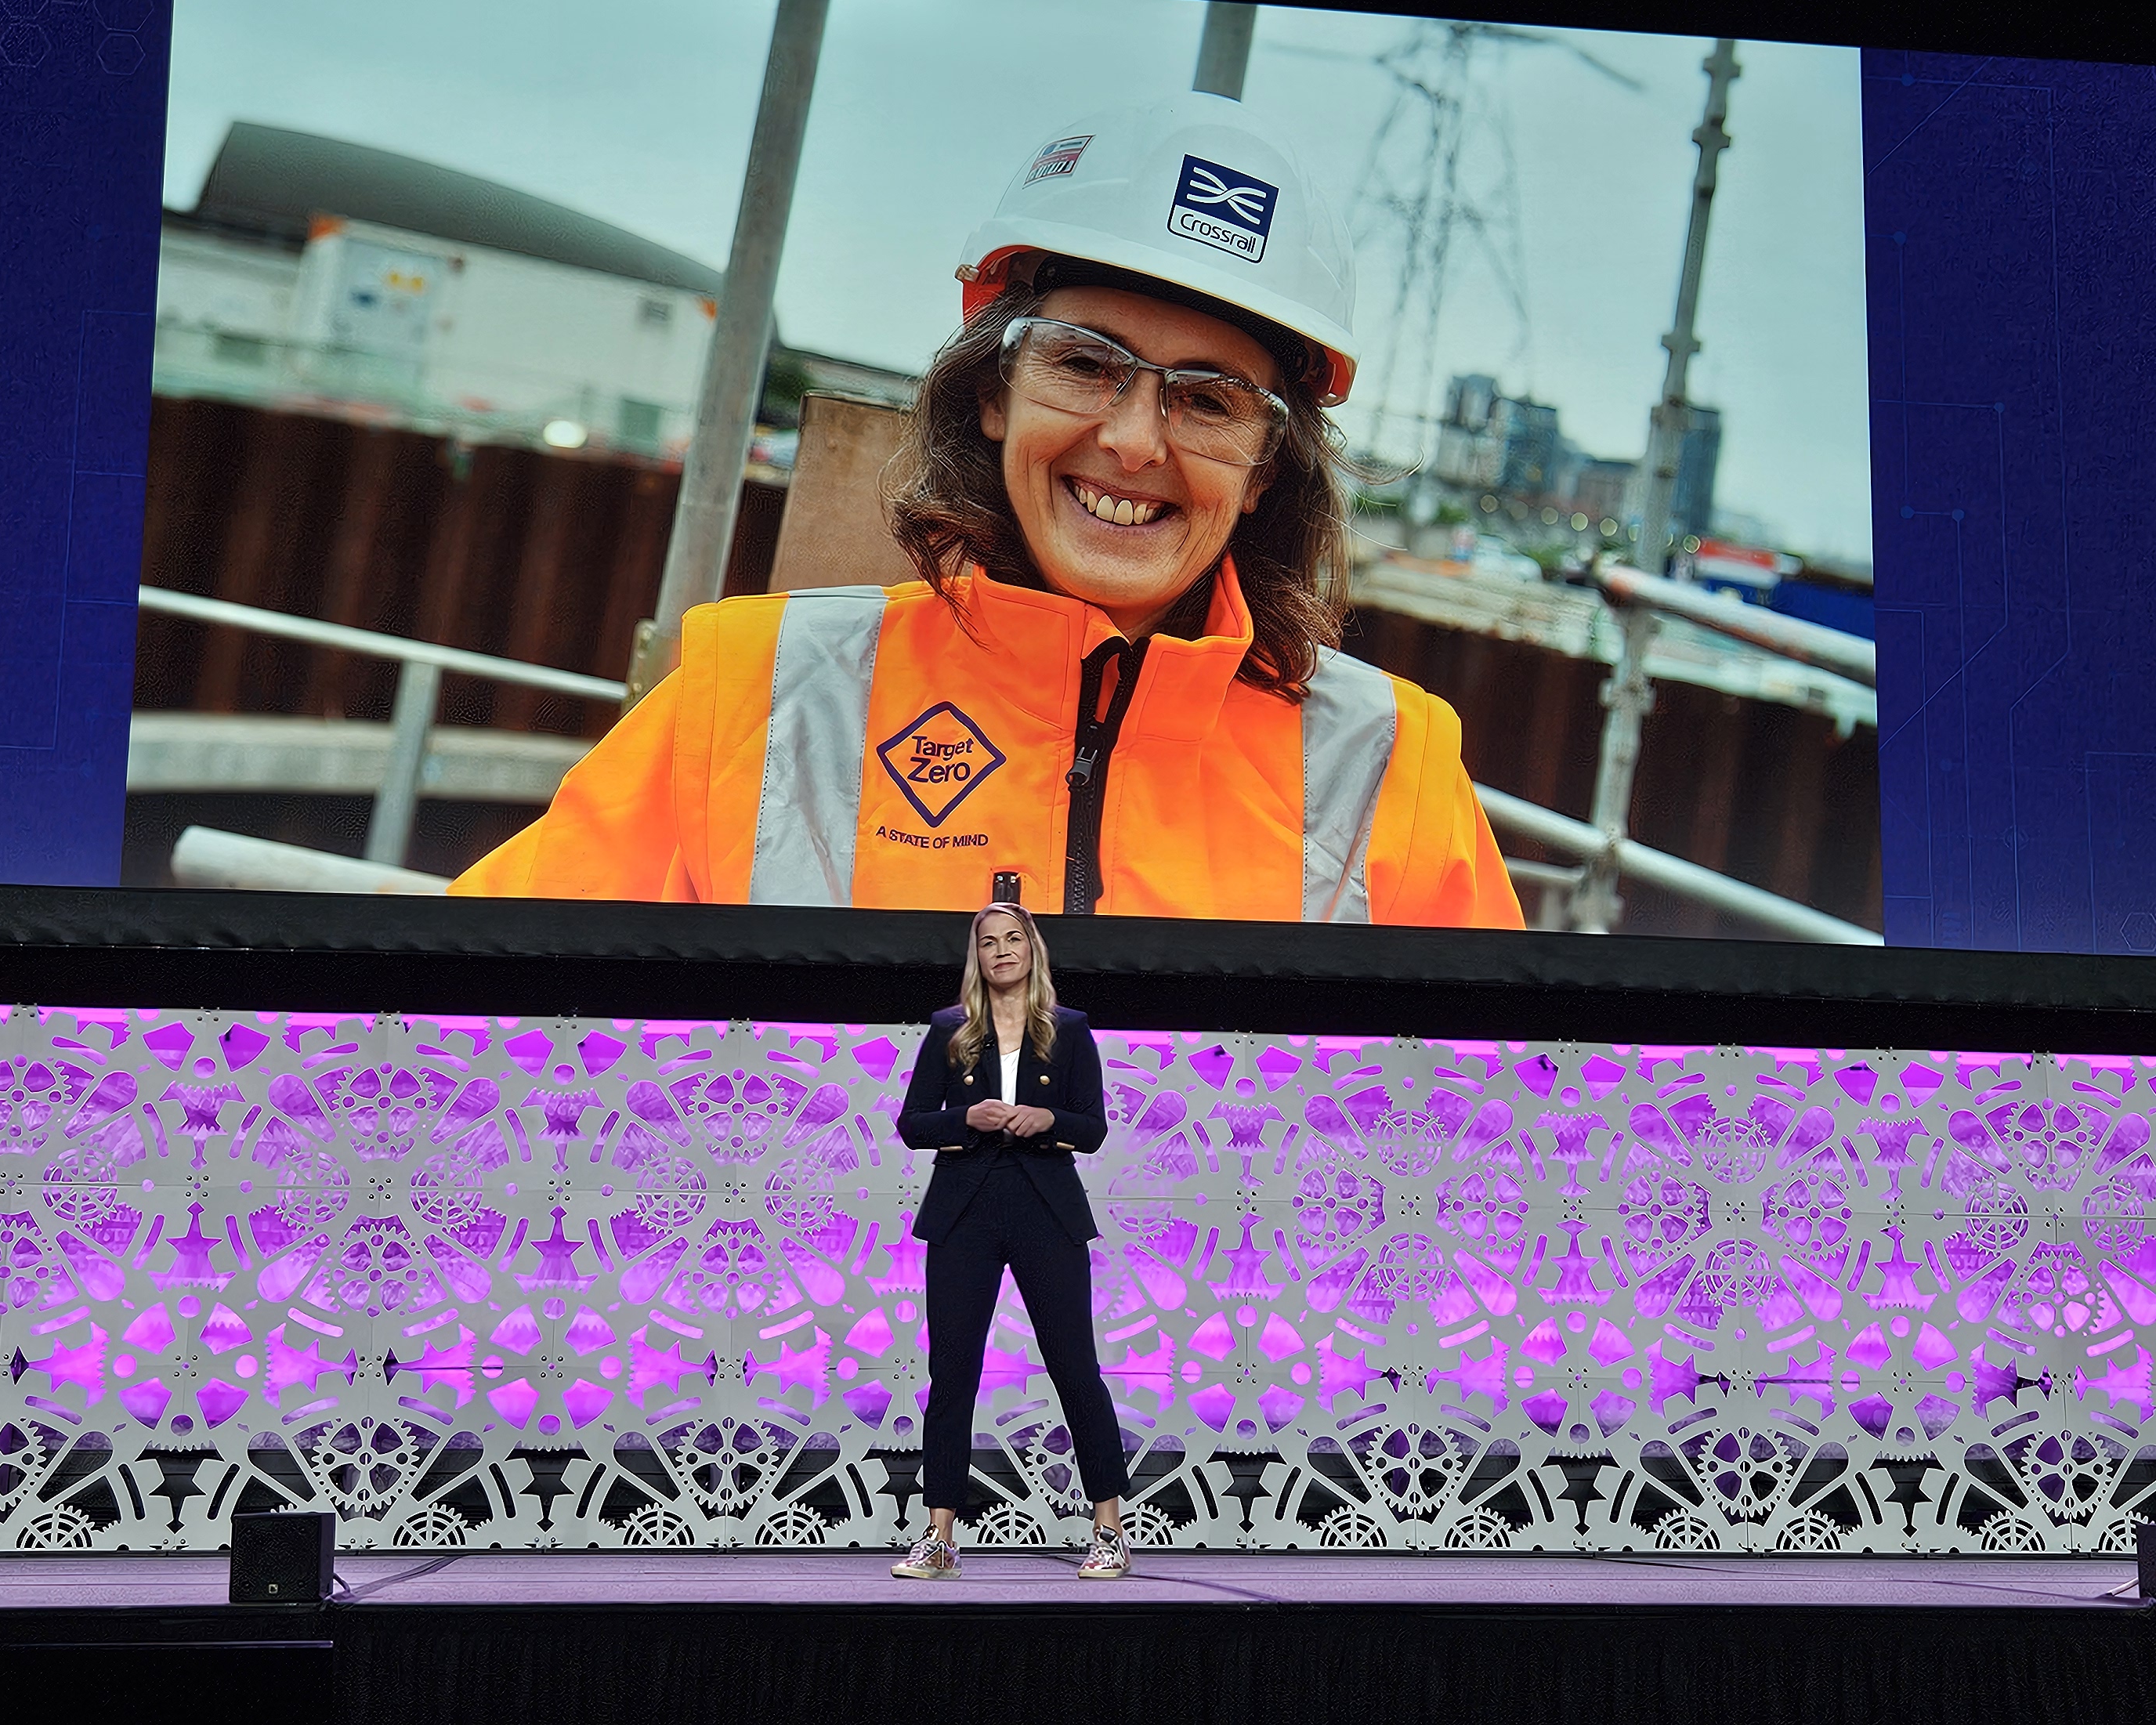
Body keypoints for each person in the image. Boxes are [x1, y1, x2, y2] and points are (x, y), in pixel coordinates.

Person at [450, 91, 1523, 928]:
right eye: (1086, 365)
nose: (1135, 442)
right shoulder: (753, 699)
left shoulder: (1393, 769)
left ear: (1265, 471)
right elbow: (473, 1037)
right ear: (993, 393)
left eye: (1208, 400)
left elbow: (1504, 1136)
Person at [888, 902, 1128, 1580]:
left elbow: (1094, 1128)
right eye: (988, 942)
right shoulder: (949, 1031)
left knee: (1075, 1368)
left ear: (1032, 948)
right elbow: (912, 1124)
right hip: (964, 1209)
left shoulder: (1071, 1031)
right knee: (952, 1374)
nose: (1001, 951)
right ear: (978, 958)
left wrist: (1049, 1117)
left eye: (1012, 939)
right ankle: (939, 1538)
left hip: (1045, 1206)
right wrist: (967, 1116)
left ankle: (1108, 1530)